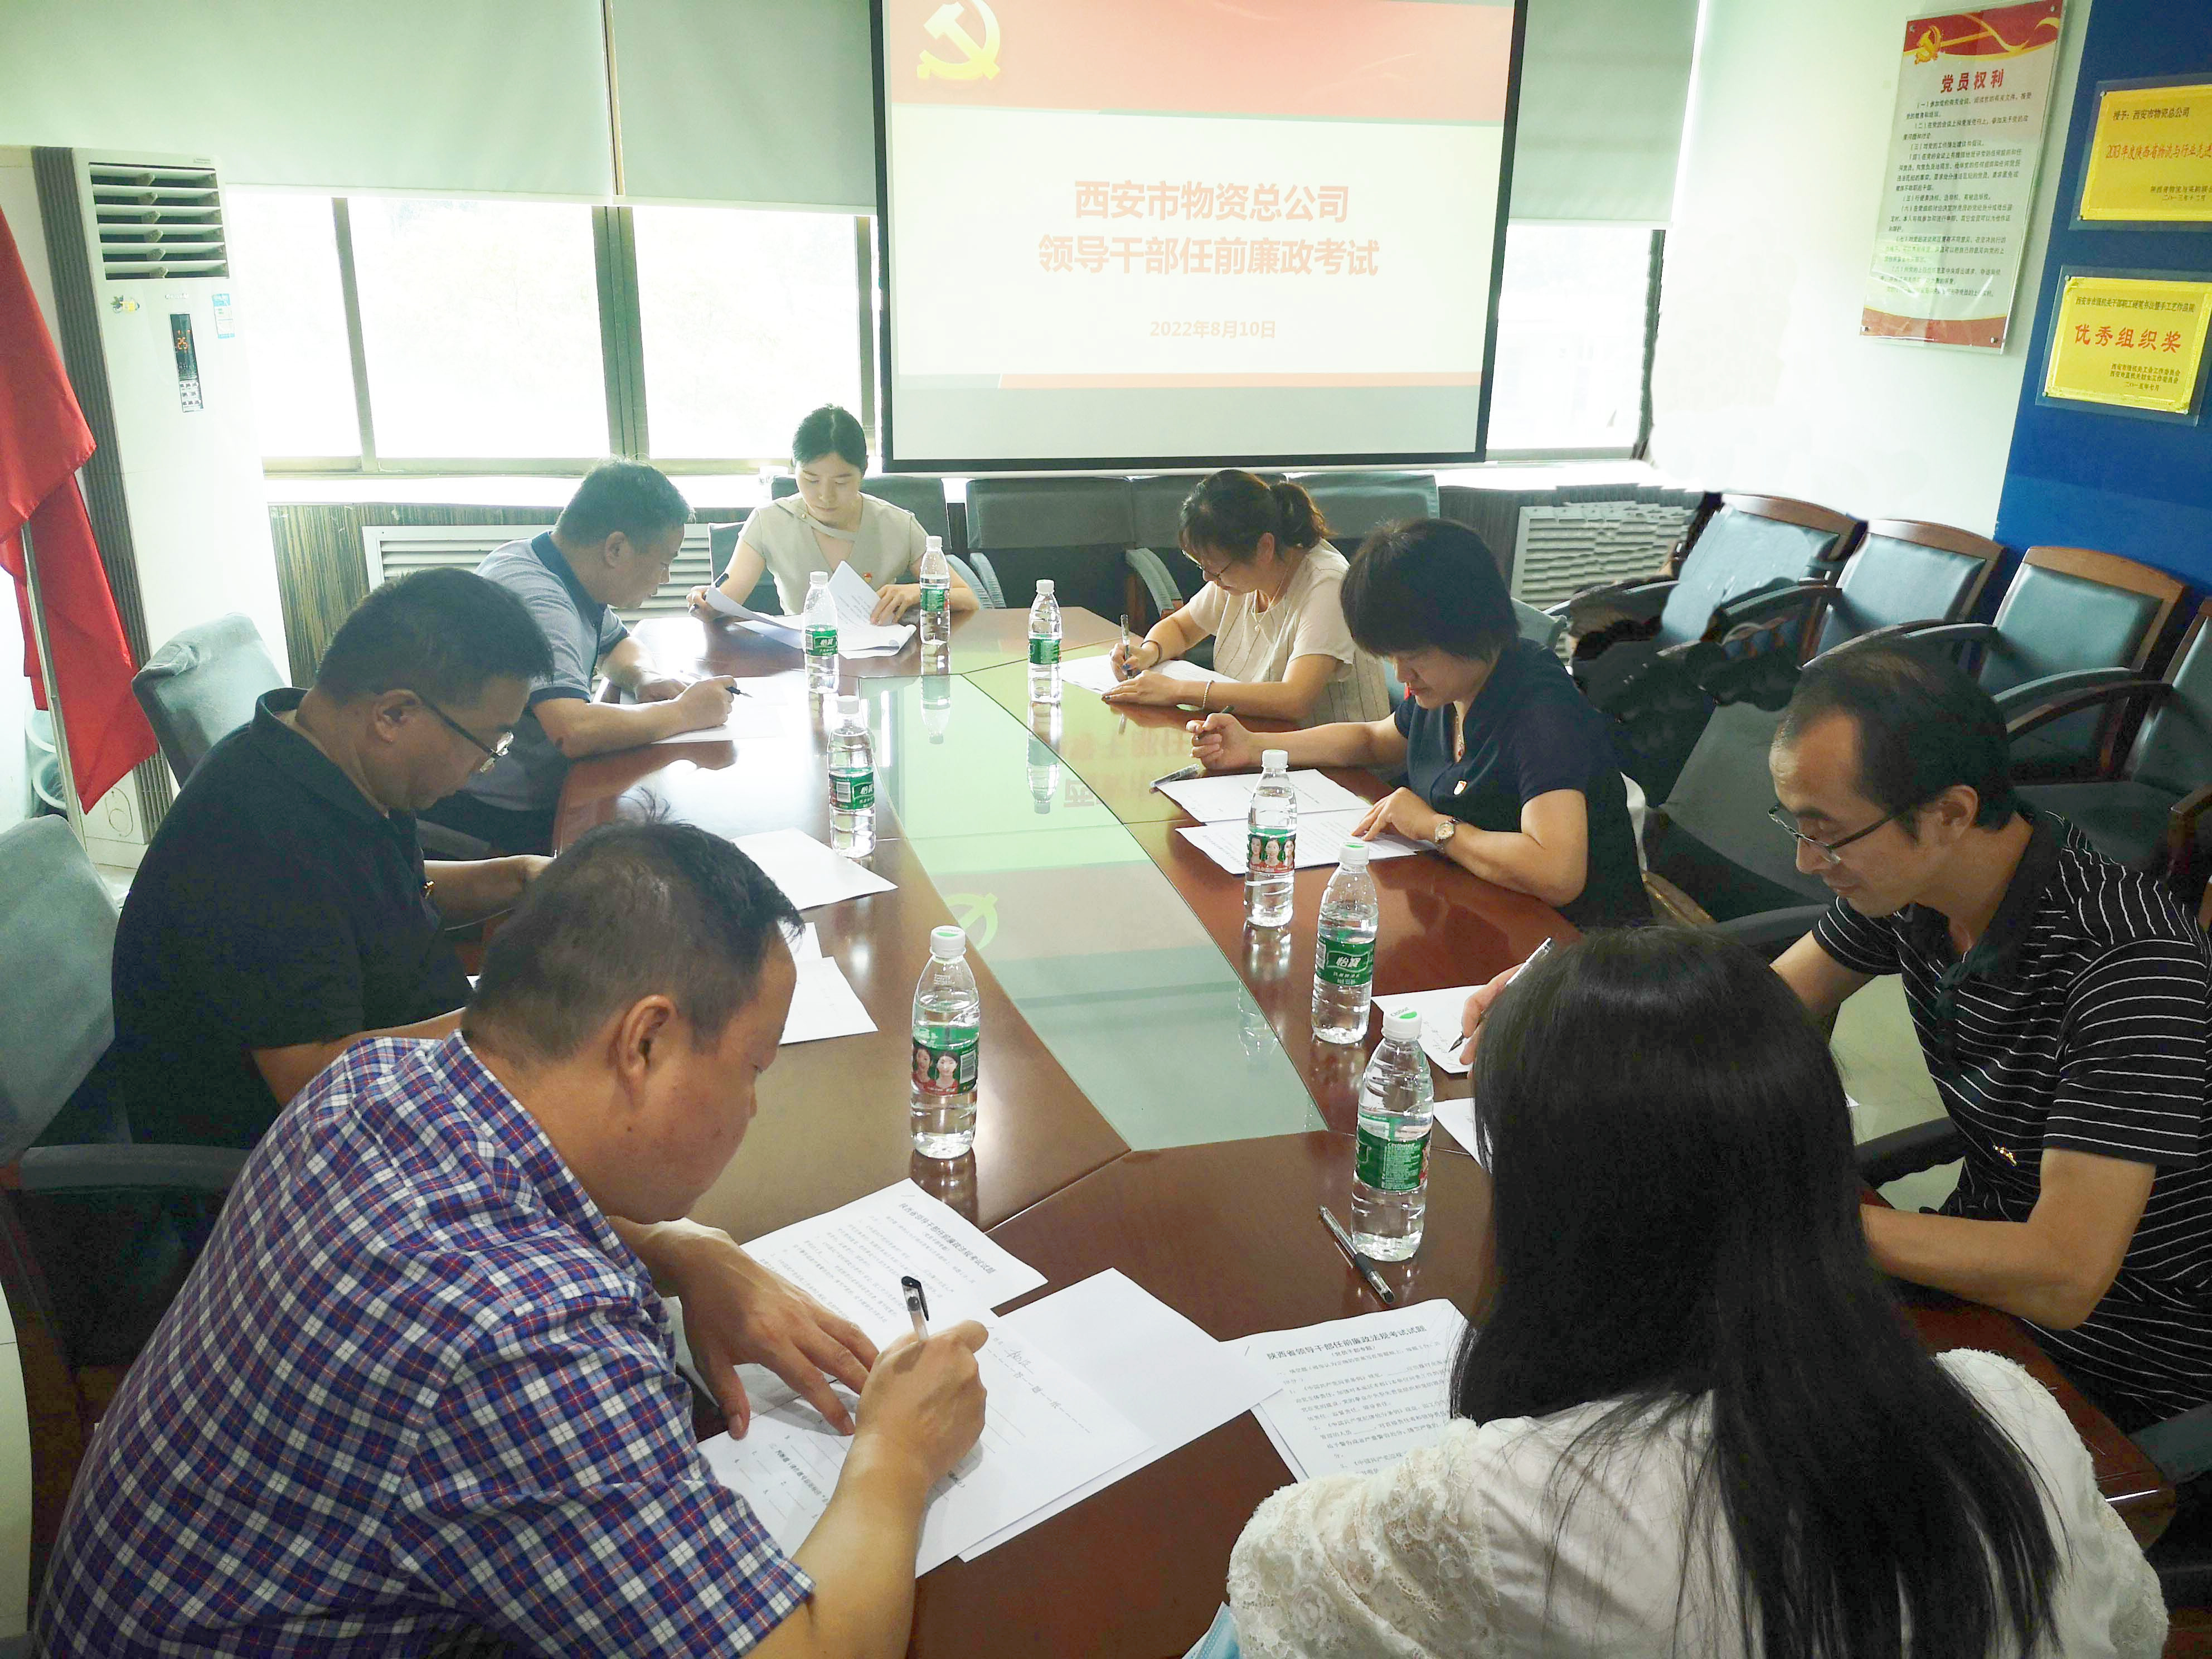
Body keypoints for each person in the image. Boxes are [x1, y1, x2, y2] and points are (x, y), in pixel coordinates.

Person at [39, 822, 990, 1659]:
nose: (751, 1108)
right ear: (645, 1043)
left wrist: (678, 1249)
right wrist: (896, 1452)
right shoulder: (522, 1337)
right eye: (752, 1068)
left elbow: (494, 1190)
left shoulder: (373, 1079)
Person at [1228, 927, 2166, 1657]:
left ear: (1554, 1205)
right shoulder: (2016, 1416)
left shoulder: (1507, 1503)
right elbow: (2131, 1632)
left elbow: (1267, 1583)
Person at [1762, 641, 2212, 1438]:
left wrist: (1795, 1221)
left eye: (1825, 834)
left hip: (2120, 1356)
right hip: (1980, 1268)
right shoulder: (1917, 886)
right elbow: (1761, 1007)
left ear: (1950, 814)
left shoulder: (2130, 963)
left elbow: (2066, 1274)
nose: (1806, 862)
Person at [100, 568, 556, 1149]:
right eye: (490, 743)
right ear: (394, 715)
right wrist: (516, 1019)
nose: (485, 765)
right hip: (307, 1157)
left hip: (409, 1055)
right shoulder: (258, 842)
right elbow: (311, 1080)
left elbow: (382, 892)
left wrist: (521, 878)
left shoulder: (336, 759)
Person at [1188, 518, 1648, 929]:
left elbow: (1557, 873)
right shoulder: (1452, 687)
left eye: (1414, 657)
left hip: (1574, 949)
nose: (1402, 675)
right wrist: (1256, 747)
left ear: (1469, 628)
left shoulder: (1540, 708)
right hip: (1476, 910)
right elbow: (1373, 740)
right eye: (1391, 657)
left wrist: (1434, 827)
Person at [423, 460, 739, 856]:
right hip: (491, 812)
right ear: (616, 549)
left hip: (523, 790)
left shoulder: (550, 564)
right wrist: (685, 712)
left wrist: (644, 677)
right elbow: (572, 731)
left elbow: (618, 643)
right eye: (664, 562)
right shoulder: (541, 599)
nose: (666, 578)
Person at [1101, 470, 1391, 725]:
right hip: (1259, 738)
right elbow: (1181, 627)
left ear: (1264, 547)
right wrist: (1148, 652)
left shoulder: (1327, 582)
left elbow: (1295, 699)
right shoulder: (1240, 575)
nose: (1208, 578)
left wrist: (1178, 690)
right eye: (1201, 566)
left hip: (1335, 758)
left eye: (1217, 568)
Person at [687, 404, 975, 625]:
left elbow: (968, 598)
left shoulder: (898, 524)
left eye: (841, 482)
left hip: (882, 662)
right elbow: (727, 600)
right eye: (811, 480)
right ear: (794, 466)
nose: (825, 495)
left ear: (863, 471)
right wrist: (706, 603)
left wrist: (916, 592)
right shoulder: (769, 522)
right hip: (806, 659)